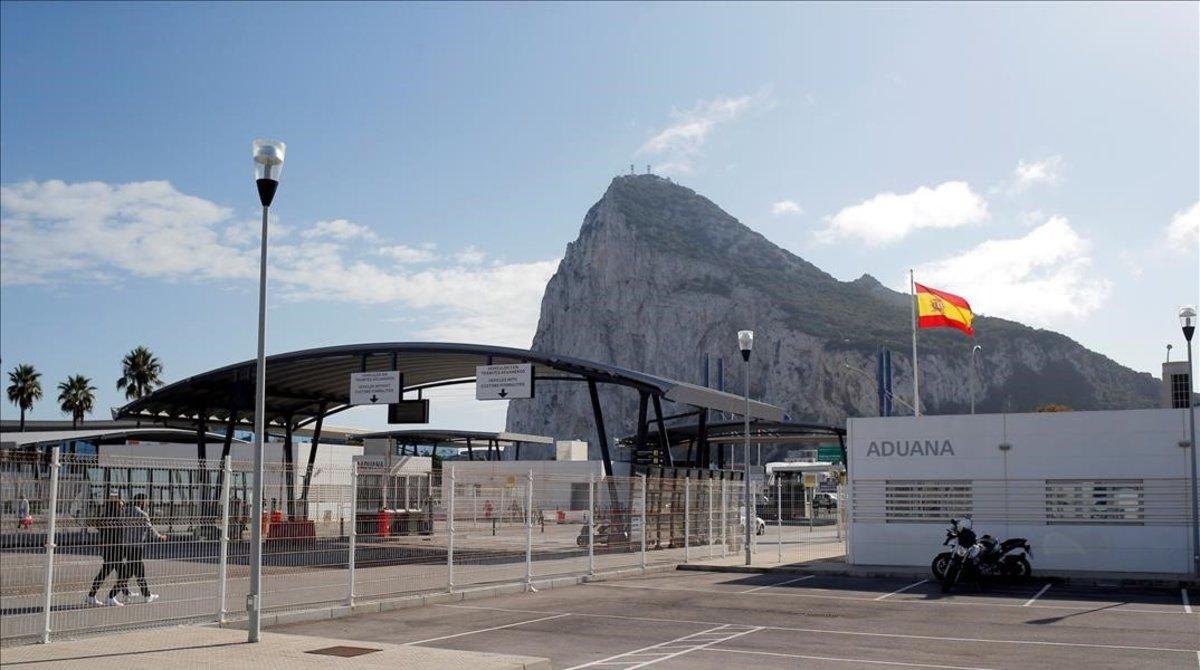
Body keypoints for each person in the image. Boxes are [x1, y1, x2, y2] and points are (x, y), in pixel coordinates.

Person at [111, 493, 165, 605]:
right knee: (129, 573)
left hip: (126, 545)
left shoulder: (124, 512)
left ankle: (146, 595)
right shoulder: (142, 514)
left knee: (138, 572)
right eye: (146, 501)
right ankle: (111, 595)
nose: (147, 503)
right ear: (141, 502)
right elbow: (150, 529)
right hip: (136, 547)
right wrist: (160, 536)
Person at [86, 495, 126, 606]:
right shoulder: (117, 519)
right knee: (124, 574)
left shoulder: (105, 518)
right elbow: (120, 534)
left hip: (109, 549)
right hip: (116, 549)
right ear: (115, 506)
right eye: (121, 506)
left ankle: (91, 596)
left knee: (104, 573)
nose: (122, 508)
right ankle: (110, 597)